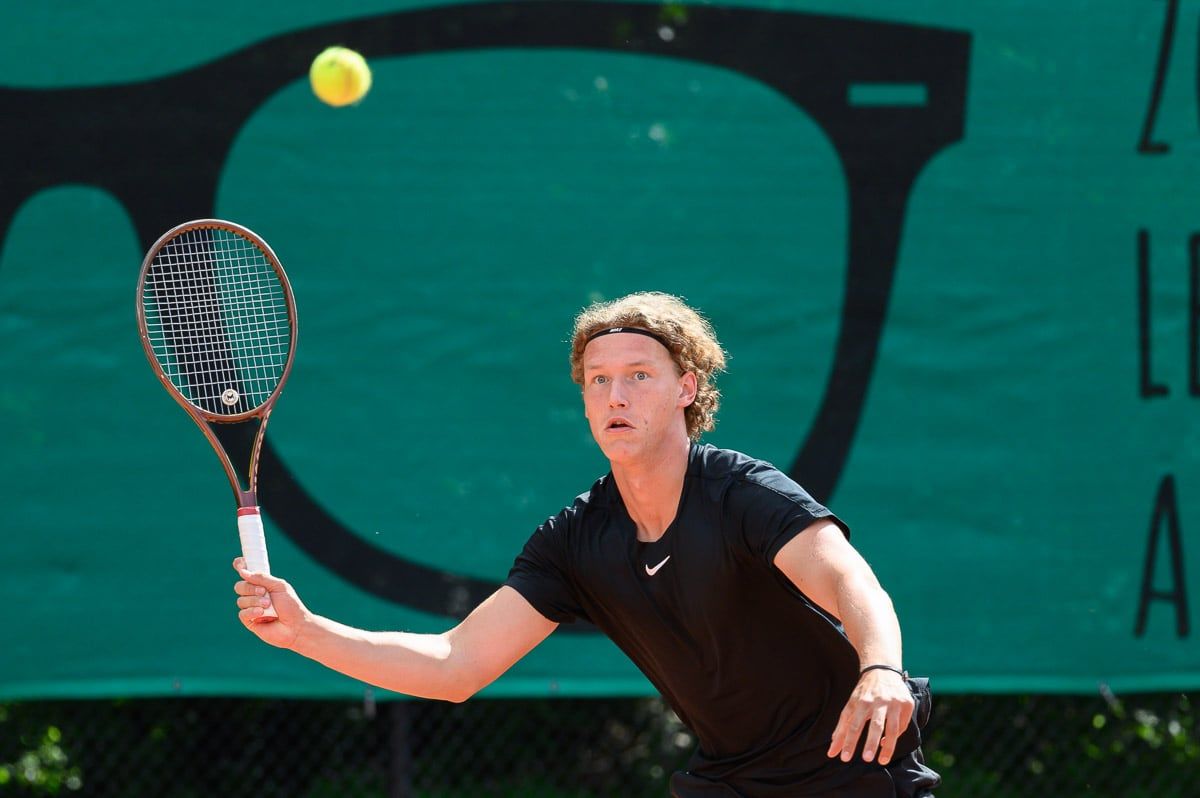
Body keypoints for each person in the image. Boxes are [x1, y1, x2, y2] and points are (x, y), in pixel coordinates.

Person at [233, 291, 940, 797]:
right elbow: (456, 664)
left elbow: (850, 581)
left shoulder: (742, 493)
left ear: (687, 388)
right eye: (598, 381)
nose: (615, 396)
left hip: (855, 771)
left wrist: (881, 668)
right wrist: (306, 632)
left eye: (638, 376)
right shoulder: (575, 541)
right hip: (730, 781)